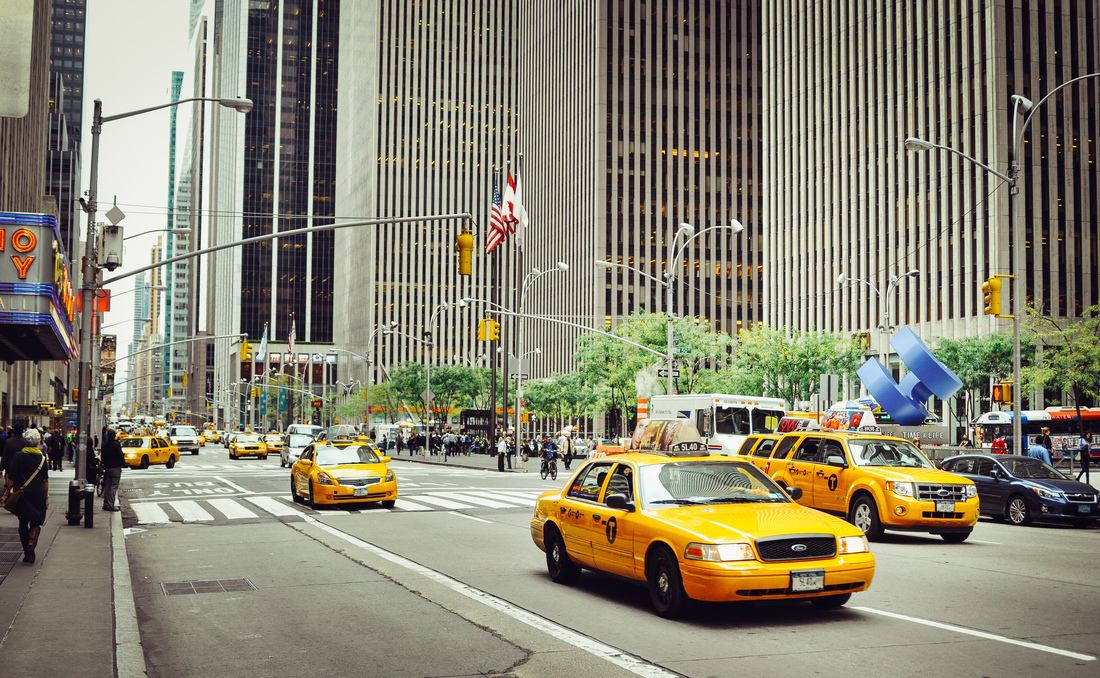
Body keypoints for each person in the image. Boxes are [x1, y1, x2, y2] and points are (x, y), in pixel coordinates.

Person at [4, 428, 48, 563]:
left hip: (22, 493)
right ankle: (32, 537)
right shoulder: (42, 458)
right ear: (38, 442)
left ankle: (28, 553)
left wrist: (7, 492)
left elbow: (11, 479)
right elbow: (45, 481)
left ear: (25, 441)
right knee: (36, 521)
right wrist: (46, 497)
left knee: (23, 523)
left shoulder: (18, 456)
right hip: (38, 493)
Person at [100, 429, 125, 512]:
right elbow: (120, 455)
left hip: (107, 467)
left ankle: (105, 504)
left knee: (107, 486)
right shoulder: (116, 444)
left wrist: (103, 464)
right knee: (113, 487)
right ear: (114, 436)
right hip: (115, 467)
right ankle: (111, 505)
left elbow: (102, 456)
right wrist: (123, 463)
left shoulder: (104, 444)